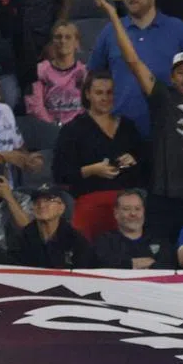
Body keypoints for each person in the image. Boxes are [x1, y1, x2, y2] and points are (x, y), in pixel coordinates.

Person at [96, 0, 183, 244]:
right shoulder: (163, 100)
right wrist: (112, 15)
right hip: (162, 197)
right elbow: (132, 60)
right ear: (171, 79)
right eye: (180, 73)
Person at [85, 0, 183, 139]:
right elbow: (92, 78)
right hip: (119, 132)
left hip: (169, 130)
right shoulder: (109, 31)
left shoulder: (179, 29)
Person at [52, 71, 146, 240]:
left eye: (110, 93)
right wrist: (91, 170)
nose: (105, 98)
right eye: (99, 93)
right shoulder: (72, 129)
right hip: (90, 203)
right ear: (87, 94)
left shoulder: (128, 126)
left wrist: (134, 159)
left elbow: (144, 161)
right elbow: (60, 173)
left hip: (127, 205)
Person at [91, 188, 174, 269]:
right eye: (126, 209)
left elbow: (170, 266)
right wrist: (132, 264)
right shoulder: (105, 241)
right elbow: (100, 265)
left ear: (143, 212)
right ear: (116, 213)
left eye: (137, 209)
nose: (133, 213)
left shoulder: (159, 240)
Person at [25, 22, 86, 127]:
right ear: (52, 42)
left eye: (68, 37)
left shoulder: (84, 72)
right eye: (58, 37)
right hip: (47, 128)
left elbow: (90, 105)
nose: (63, 41)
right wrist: (52, 125)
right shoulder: (40, 70)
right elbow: (35, 106)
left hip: (79, 128)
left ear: (76, 43)